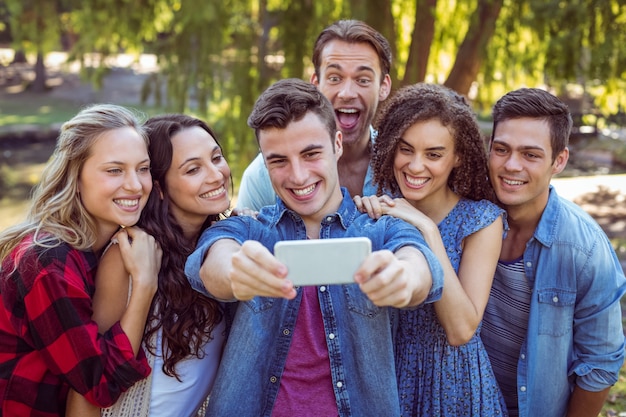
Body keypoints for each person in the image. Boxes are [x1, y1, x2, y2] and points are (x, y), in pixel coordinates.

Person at [185, 78, 444, 416]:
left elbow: (417, 260)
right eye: (278, 161)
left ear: (337, 144)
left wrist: (405, 277)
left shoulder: (379, 228)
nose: (298, 176)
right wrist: (235, 271)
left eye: (311, 154)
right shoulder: (251, 230)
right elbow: (213, 258)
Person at [355, 83, 508, 416]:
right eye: (405, 149)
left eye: (433, 154)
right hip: (387, 379)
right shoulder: (379, 211)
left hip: (454, 388)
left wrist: (427, 230)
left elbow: (462, 329)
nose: (415, 166)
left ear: (458, 157)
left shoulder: (481, 221)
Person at [0, 104, 161, 417]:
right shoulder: (47, 262)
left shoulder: (104, 249)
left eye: (143, 168)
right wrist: (144, 284)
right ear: (76, 175)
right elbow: (99, 384)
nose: (135, 185)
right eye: (114, 170)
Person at [65, 115, 231, 416]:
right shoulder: (130, 254)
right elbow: (88, 386)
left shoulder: (221, 243)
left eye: (216, 158)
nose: (216, 175)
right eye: (193, 169)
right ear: (160, 188)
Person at [480, 88, 626, 417]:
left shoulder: (585, 248)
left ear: (559, 160)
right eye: (501, 149)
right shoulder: (465, 216)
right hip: (463, 403)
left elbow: (601, 363)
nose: (511, 165)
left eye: (530, 155)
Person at [236, 19, 392, 210]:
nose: (347, 93)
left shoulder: (402, 166)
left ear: (383, 87)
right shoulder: (262, 176)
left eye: (363, 80)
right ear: (316, 84)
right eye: (335, 78)